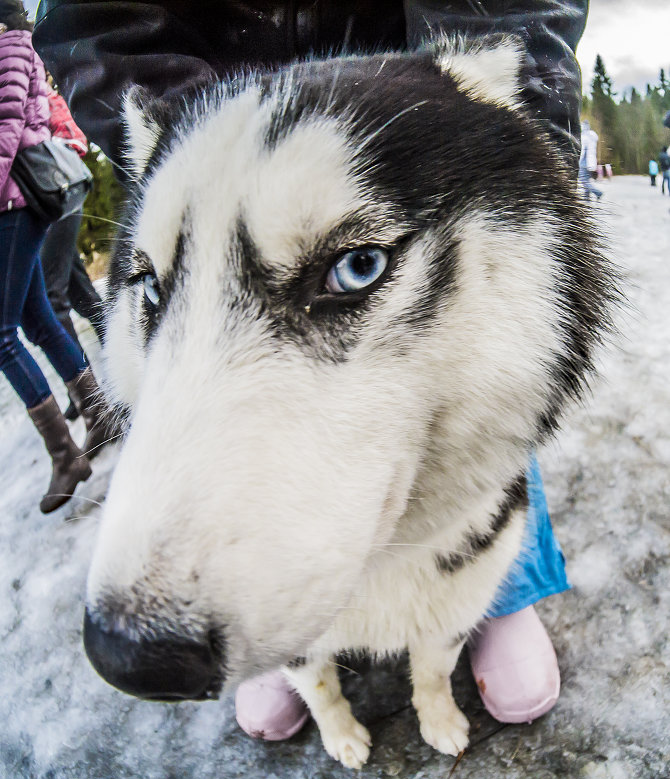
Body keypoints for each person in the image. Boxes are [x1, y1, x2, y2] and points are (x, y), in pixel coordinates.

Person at [34, 0, 585, 737]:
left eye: (356, 270)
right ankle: (303, 653)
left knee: (476, 410)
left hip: (410, 102)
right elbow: (92, 20)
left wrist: (503, 118)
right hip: (207, 99)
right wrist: (211, 138)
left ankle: (494, 595)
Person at [0, 0, 109, 514]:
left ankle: (64, 453)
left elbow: (6, 131)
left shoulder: (10, 48)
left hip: (15, 201)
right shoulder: (15, 49)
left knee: (3, 338)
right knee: (38, 317)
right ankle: (97, 410)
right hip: (18, 201)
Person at [41, 76, 106, 420]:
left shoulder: (22, 79)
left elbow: (73, 136)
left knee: (52, 296)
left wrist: (47, 155)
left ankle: (89, 395)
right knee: (77, 291)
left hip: (58, 189)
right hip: (42, 200)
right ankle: (85, 386)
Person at [579, 120, 603, 201]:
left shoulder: (585, 136)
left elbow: (583, 151)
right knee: (586, 180)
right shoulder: (591, 136)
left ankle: (598, 193)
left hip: (584, 162)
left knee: (583, 180)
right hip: (590, 162)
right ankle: (587, 198)